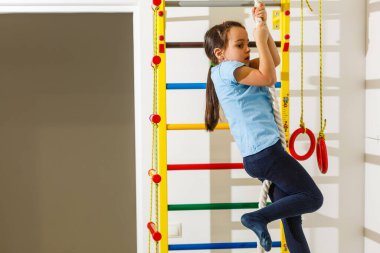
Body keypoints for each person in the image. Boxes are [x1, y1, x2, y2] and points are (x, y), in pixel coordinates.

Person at [204, 4, 324, 253]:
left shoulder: (233, 68)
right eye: (240, 45)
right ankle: (257, 217)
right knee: (313, 198)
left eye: (248, 43)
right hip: (267, 154)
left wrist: (263, 29)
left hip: (260, 157)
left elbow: (274, 61)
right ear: (220, 53)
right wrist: (260, 39)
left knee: (292, 217)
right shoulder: (226, 70)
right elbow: (269, 78)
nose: (247, 49)